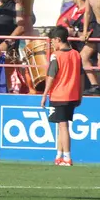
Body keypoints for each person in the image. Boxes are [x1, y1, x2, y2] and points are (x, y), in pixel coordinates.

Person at [39, 26, 83, 166]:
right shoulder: (76, 54)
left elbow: (51, 76)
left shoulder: (56, 56)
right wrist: (80, 95)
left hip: (59, 95)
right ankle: (59, 156)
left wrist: (44, 95)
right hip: (72, 95)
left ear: (58, 39)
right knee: (61, 125)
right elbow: (81, 77)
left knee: (63, 127)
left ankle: (67, 157)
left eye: (53, 41)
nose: (52, 44)